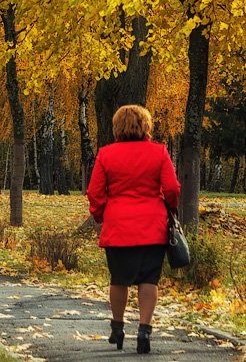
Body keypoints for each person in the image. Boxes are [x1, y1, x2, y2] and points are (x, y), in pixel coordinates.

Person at [87, 105, 180, 355]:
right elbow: (172, 188)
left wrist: (100, 214)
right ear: (145, 126)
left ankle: (117, 329)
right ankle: (144, 331)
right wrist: (169, 207)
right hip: (152, 226)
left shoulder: (106, 154)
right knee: (149, 279)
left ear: (117, 127)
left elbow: (95, 193)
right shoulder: (159, 152)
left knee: (119, 278)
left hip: (118, 226)